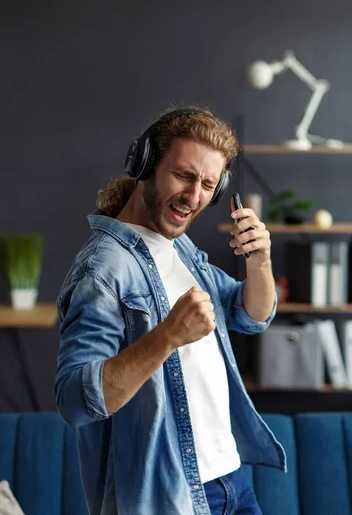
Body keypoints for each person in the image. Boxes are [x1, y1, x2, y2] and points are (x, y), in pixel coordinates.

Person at [55, 107, 286, 515]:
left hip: (231, 480)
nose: (194, 196)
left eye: (207, 185)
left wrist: (261, 262)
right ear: (144, 164)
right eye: (183, 175)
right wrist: (166, 337)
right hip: (170, 497)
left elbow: (251, 315)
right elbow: (74, 398)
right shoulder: (103, 269)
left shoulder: (181, 250)